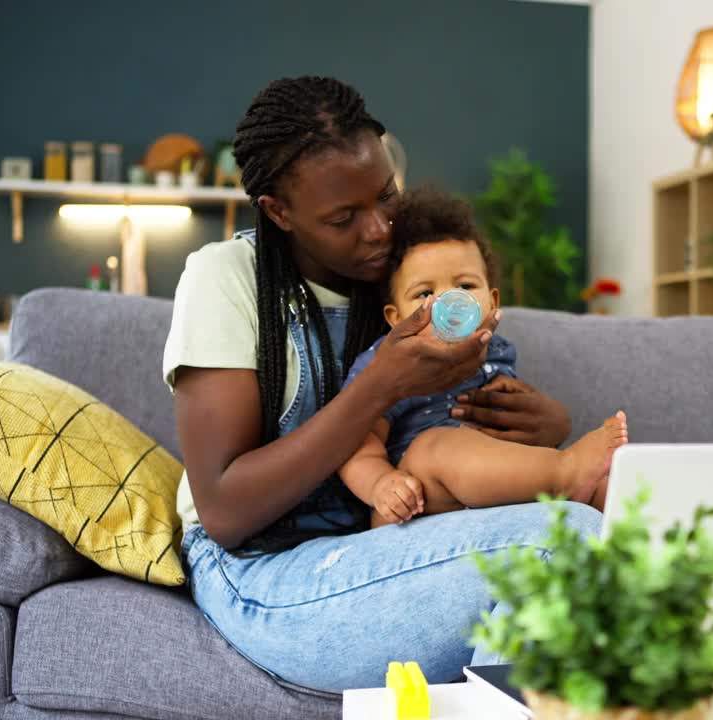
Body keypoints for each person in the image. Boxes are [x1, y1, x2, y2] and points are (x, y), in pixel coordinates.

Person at [164, 76, 602, 692]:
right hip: (258, 570)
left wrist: (546, 426)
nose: (377, 230)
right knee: (567, 543)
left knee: (592, 551)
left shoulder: (401, 273)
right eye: (344, 218)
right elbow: (226, 511)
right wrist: (378, 387)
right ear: (278, 212)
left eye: (385, 198)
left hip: (392, 543)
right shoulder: (227, 278)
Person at [339, 187, 627, 526]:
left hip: (491, 484)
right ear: (394, 317)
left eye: (464, 287)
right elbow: (356, 443)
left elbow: (516, 423)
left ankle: (648, 528)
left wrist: (517, 405)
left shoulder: (496, 349)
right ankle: (565, 471)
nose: (448, 302)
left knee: (603, 487)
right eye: (425, 293)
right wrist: (381, 484)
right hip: (418, 495)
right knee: (436, 446)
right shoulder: (387, 363)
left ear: (491, 300)